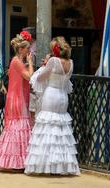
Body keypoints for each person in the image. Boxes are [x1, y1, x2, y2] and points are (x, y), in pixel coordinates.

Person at [24, 36, 80, 175]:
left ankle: (46, 165)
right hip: (63, 97)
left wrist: (40, 70)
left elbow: (40, 78)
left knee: (47, 126)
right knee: (60, 129)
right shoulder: (71, 63)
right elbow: (67, 83)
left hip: (51, 95)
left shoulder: (54, 61)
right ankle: (62, 166)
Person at [0, 31, 34, 170]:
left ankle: (19, 162)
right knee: (17, 128)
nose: (29, 50)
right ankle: (13, 162)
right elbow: (29, 77)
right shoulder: (16, 61)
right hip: (17, 99)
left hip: (19, 97)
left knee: (18, 127)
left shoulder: (17, 62)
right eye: (27, 48)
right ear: (21, 49)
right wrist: (30, 63)